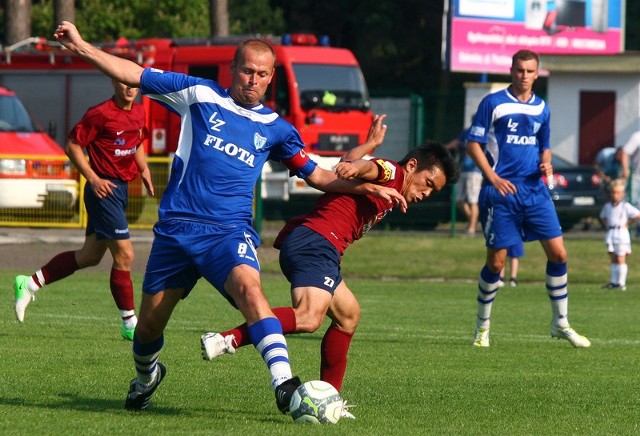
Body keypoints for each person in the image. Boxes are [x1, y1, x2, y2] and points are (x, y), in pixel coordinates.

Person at [52, 21, 406, 414]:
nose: (252, 80)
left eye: (261, 74)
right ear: (233, 68)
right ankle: (146, 376)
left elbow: (320, 175)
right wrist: (81, 46)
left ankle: (285, 387)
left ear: (271, 78)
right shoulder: (198, 94)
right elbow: (133, 73)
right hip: (176, 231)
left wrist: (366, 186)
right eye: (246, 71)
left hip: (228, 232)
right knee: (149, 327)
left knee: (251, 292)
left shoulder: (277, 129)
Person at [200, 141, 459, 419]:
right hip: (317, 242)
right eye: (428, 183)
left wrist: (364, 148)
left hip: (320, 246)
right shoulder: (394, 173)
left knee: (348, 315)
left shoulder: (392, 182)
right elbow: (371, 168)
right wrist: (357, 165)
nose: (426, 193)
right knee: (309, 317)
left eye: (433, 191)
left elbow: (353, 166)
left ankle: (331, 399)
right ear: (412, 167)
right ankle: (227, 339)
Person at [466, 49, 590, 348]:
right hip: (501, 194)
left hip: (535, 191)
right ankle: (482, 327)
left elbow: (544, 146)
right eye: (519, 70)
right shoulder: (493, 102)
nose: (524, 75)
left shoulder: (542, 108)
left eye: (529, 71)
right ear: (512, 70)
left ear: (537, 73)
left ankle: (560, 323)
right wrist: (493, 177)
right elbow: (473, 145)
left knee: (559, 254)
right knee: (496, 264)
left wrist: (546, 163)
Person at [13, 80, 154, 341]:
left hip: (121, 189)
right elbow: (73, 146)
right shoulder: (100, 113)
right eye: (124, 83)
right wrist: (93, 177)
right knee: (125, 254)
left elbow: (138, 142)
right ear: (113, 82)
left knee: (90, 256)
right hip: (103, 190)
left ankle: (29, 283)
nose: (130, 88)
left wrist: (143, 169)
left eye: (134, 84)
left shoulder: (138, 111)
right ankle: (129, 323)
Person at [599, 179, 640, 291]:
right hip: (611, 233)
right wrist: (606, 224)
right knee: (613, 258)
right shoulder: (608, 206)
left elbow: (637, 214)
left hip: (621, 234)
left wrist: (627, 223)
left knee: (621, 257)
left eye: (618, 192)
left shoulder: (625, 206)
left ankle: (621, 283)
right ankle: (613, 281)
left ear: (622, 194)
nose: (615, 195)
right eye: (613, 192)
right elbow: (602, 216)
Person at [446, 127, 483, 236]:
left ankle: (471, 228)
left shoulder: (484, 132)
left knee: (472, 200)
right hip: (463, 169)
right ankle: (473, 220)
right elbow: (455, 142)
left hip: (475, 170)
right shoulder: (467, 132)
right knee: (457, 199)